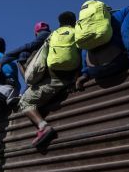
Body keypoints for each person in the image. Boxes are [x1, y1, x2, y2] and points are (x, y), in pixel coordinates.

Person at [18, 12, 82, 147]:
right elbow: (83, 53)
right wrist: (77, 77)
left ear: (59, 23)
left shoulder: (53, 35)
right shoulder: (77, 31)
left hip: (55, 80)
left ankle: (43, 126)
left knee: (25, 101)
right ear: (74, 21)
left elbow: (41, 62)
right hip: (71, 78)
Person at [75, 4, 129, 91]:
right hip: (115, 64)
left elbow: (85, 48)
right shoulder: (120, 14)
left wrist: (85, 73)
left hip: (94, 71)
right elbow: (127, 31)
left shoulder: (85, 28)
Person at [0, 22, 52, 99]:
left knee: (23, 54)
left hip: (49, 66)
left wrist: (4, 58)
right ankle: (30, 82)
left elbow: (29, 46)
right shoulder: (48, 36)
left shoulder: (44, 34)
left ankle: (30, 82)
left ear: (36, 33)